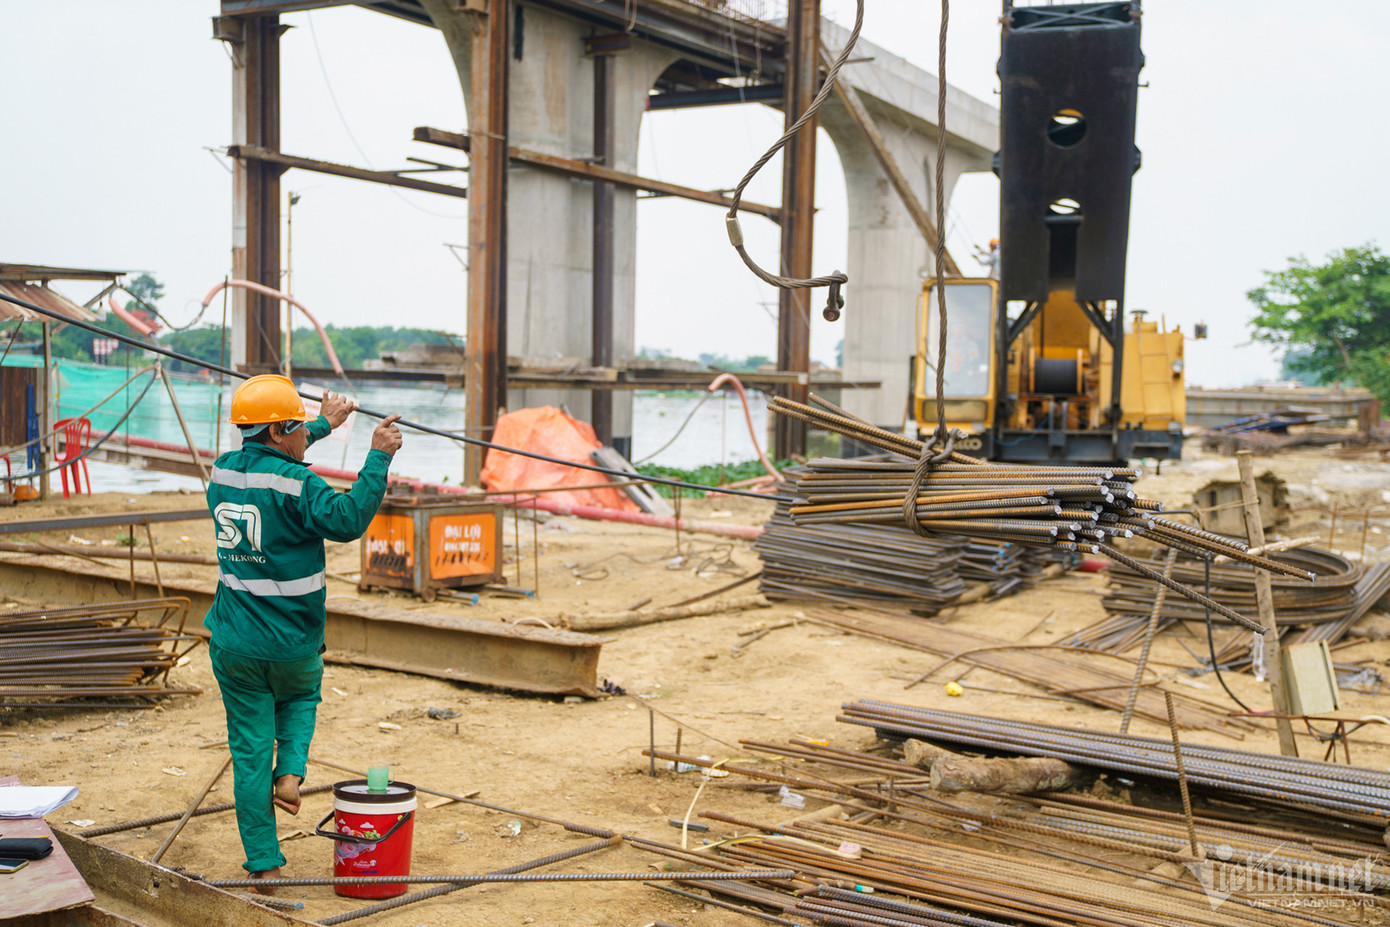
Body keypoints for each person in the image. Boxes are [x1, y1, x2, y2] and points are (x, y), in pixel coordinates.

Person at [205, 374, 403, 893]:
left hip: (233, 642)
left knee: (250, 754)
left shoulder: (222, 472)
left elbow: (274, 452)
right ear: (279, 429)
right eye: (298, 429)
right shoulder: (303, 485)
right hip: (293, 642)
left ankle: (265, 866)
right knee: (299, 700)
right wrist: (377, 455)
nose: (303, 438)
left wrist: (322, 423)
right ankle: (290, 775)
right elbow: (346, 520)